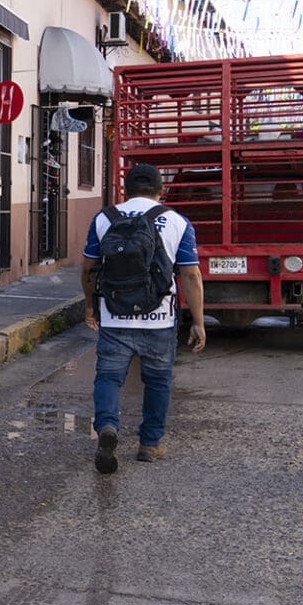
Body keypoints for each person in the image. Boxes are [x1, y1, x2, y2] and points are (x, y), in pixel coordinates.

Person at [82, 162, 206, 474]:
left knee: (109, 377)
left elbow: (88, 269)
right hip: (160, 319)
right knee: (158, 380)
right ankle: (150, 444)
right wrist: (199, 321)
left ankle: (108, 427)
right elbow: (190, 274)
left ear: (125, 189)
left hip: (114, 315)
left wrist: (89, 306)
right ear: (160, 190)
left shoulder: (105, 218)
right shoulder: (176, 221)